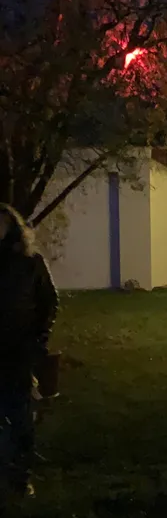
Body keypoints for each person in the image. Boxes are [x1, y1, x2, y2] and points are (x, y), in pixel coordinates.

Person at [0, 204, 58, 499]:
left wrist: (38, 341)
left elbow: (48, 302)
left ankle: (20, 478)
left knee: (19, 416)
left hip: (18, 353)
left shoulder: (29, 263)